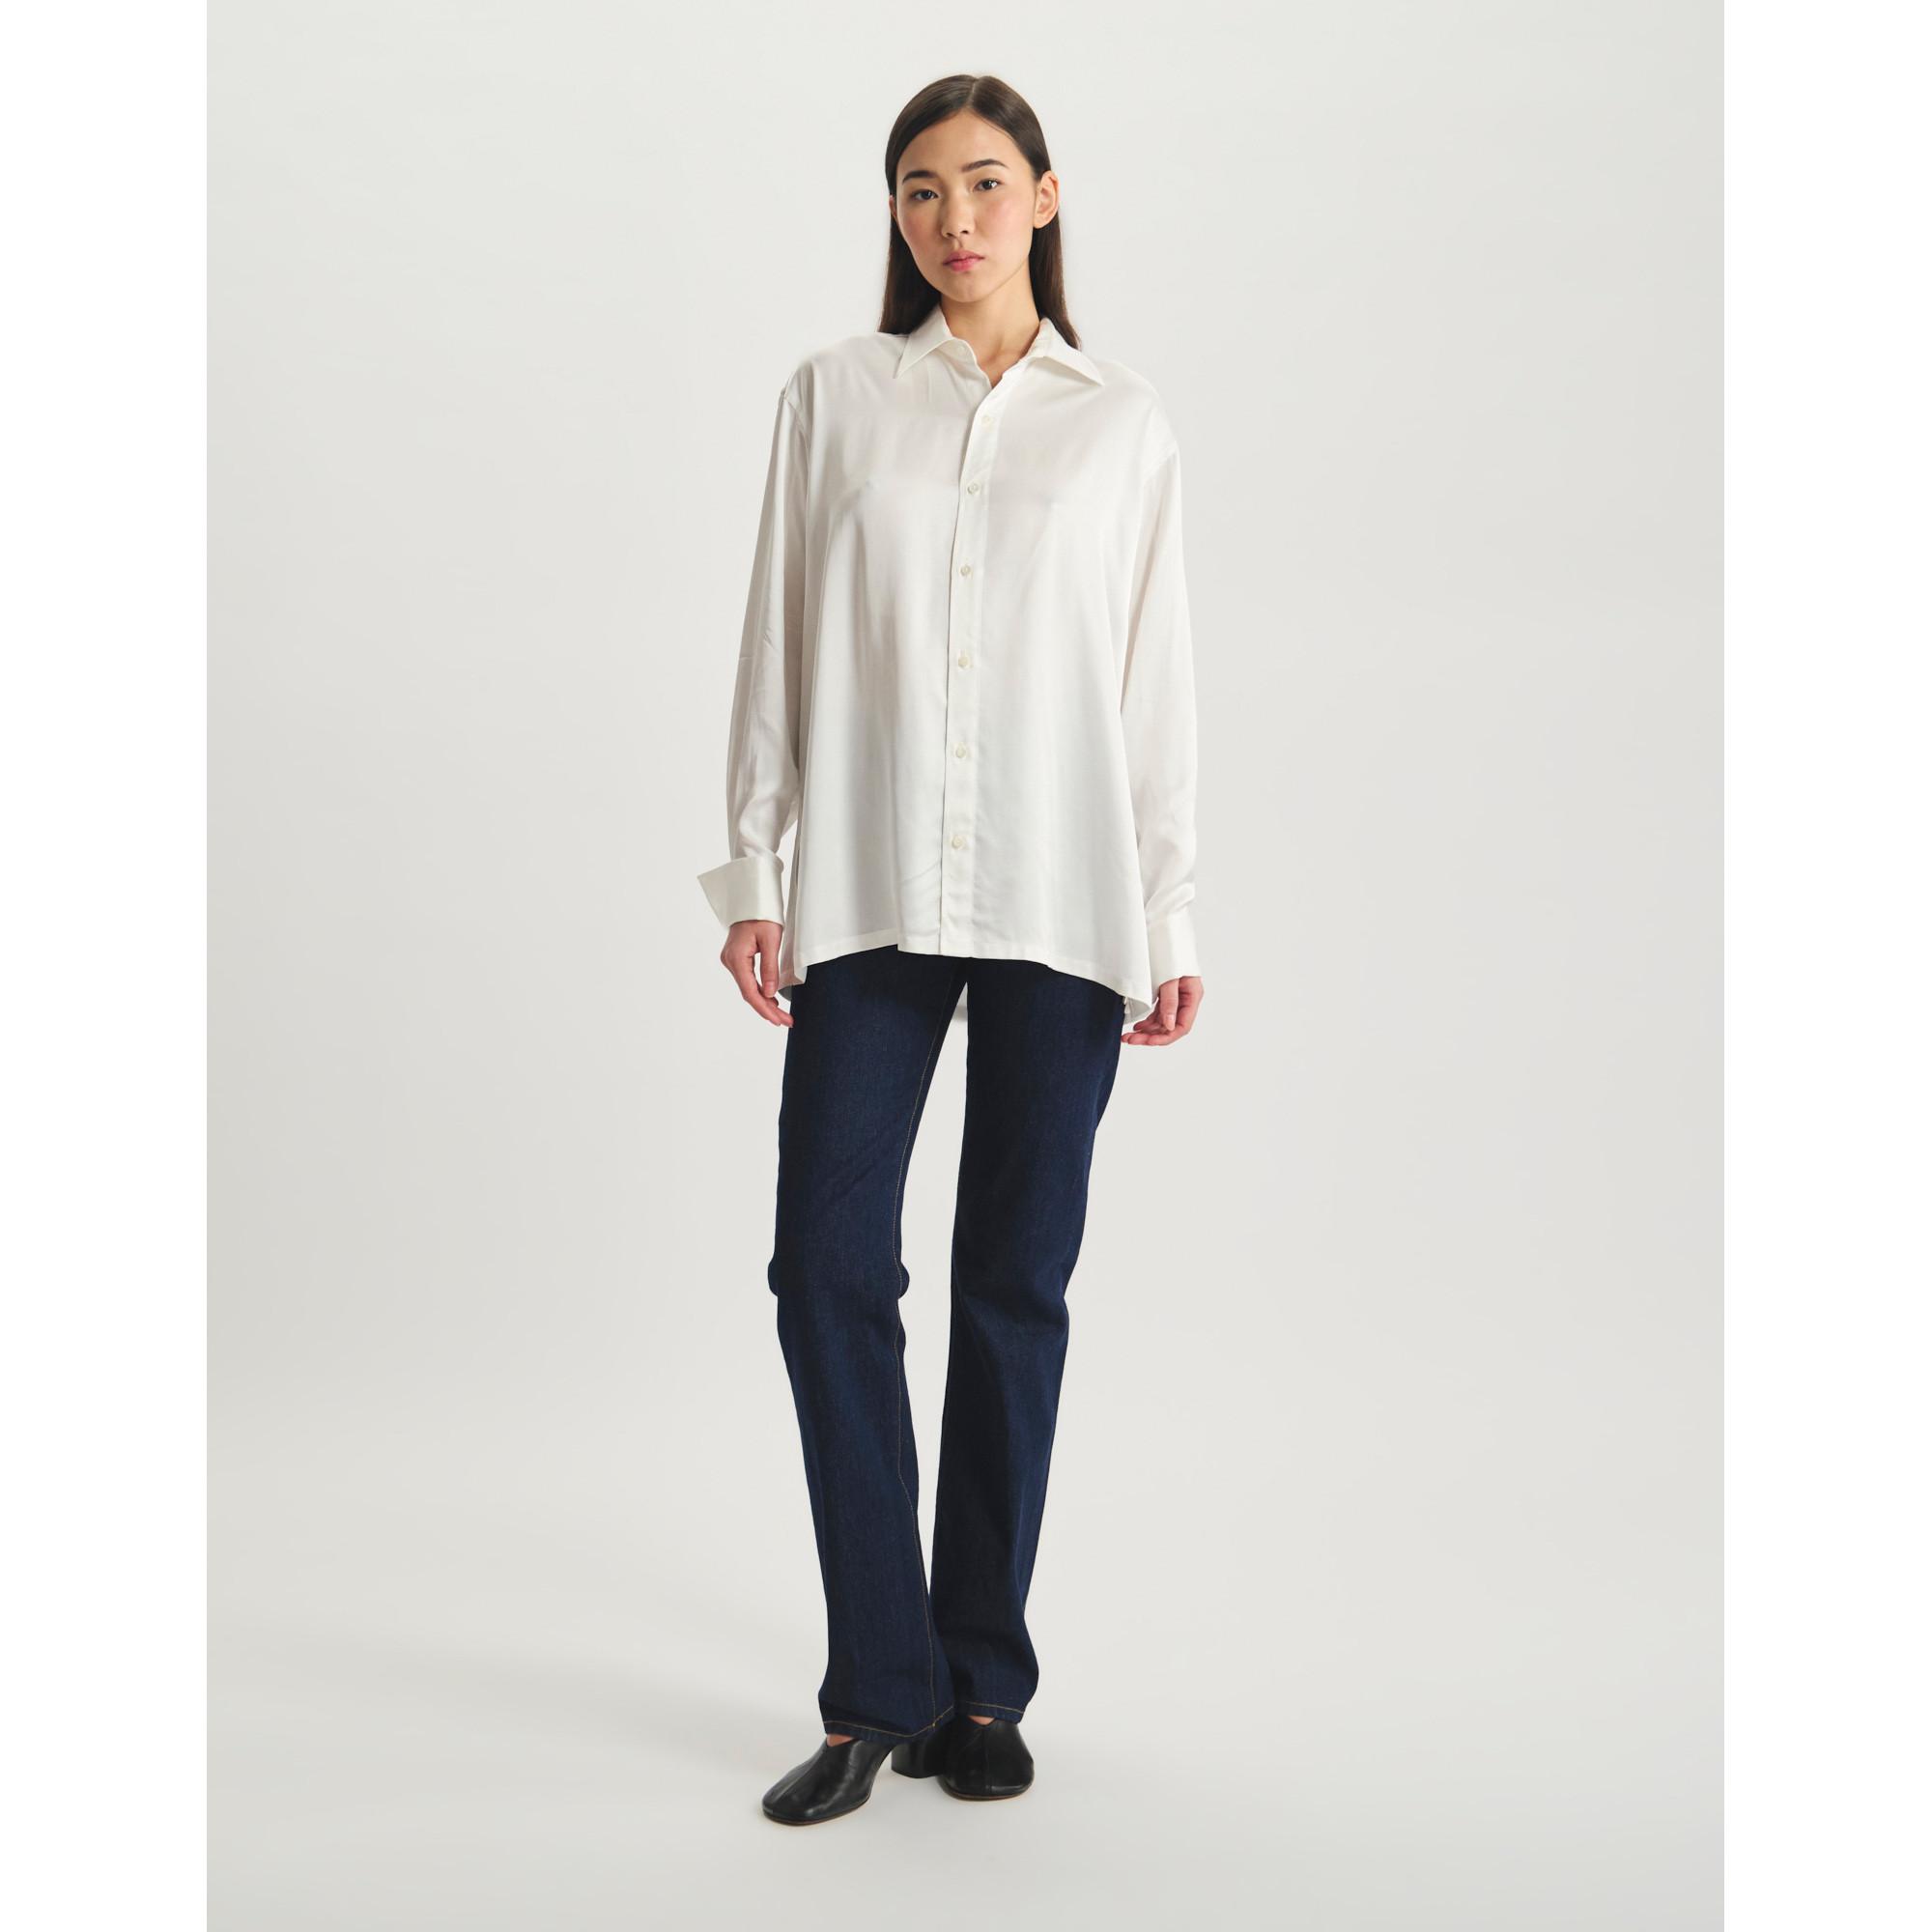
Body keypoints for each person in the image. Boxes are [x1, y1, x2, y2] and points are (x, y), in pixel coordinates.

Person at [696, 73, 1205, 1827]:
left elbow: (1153, 681)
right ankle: (877, 1687)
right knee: (825, 1270)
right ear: (897, 214)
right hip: (868, 889)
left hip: (1065, 896)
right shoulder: (834, 398)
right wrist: (753, 863)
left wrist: (1170, 908)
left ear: (1046, 197)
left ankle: (981, 1682)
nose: (954, 218)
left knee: (1014, 1285)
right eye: (921, 189)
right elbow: (778, 634)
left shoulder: (1122, 423)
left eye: (986, 183)